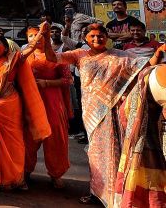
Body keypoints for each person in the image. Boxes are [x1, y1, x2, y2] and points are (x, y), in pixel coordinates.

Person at [54, 23, 166, 205]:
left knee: (118, 150)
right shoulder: (79, 55)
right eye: (92, 37)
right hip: (92, 113)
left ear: (107, 37)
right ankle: (96, 192)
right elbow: (53, 58)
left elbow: (144, 69)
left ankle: (117, 192)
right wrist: (41, 40)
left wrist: (158, 54)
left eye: (100, 36)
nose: (97, 39)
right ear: (85, 39)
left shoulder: (120, 56)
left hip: (115, 109)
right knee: (95, 153)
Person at [0, 11, 51, 192]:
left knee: (13, 143)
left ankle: (13, 178)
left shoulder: (13, 60)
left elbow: (29, 48)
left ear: (6, 47)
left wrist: (41, 33)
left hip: (10, 106)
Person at [22, 24, 72, 189]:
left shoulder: (58, 57)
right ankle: (25, 171)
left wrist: (46, 83)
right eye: (31, 36)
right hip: (30, 102)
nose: (35, 38)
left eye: (40, 35)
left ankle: (56, 173)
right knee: (29, 138)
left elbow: (68, 80)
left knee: (55, 138)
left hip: (52, 102)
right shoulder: (23, 57)